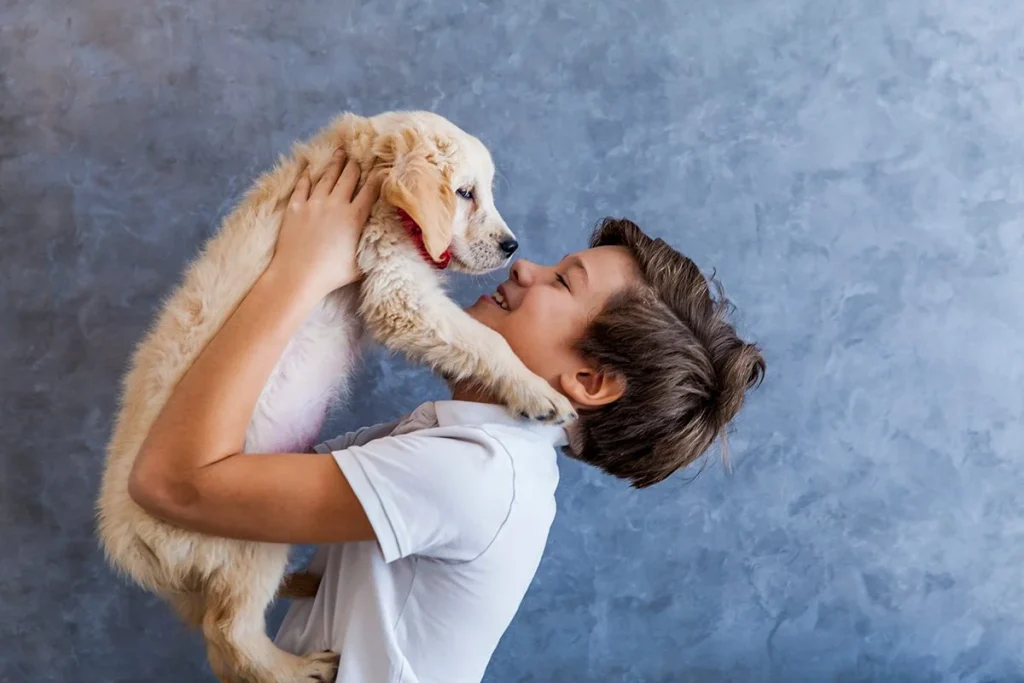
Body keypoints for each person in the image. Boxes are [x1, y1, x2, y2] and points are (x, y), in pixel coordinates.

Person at [128, 151, 765, 682]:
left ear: (589, 381)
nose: (525, 266)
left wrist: (299, 273)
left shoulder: (473, 473)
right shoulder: (455, 444)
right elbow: (238, 474)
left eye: (563, 283)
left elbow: (174, 484)